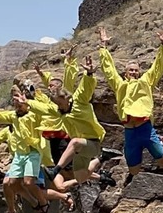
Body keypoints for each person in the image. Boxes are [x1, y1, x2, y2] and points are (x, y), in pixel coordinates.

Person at [98, 26, 163, 183]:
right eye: (130, 70)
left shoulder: (145, 82)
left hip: (145, 128)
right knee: (134, 171)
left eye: (136, 70)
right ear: (125, 73)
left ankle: (159, 141)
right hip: (130, 132)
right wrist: (103, 47)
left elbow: (158, 67)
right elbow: (109, 70)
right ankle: (155, 143)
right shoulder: (120, 84)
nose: (133, 72)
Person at [0, 126, 75, 213]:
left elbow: (46, 140)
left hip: (35, 161)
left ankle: (64, 197)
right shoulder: (8, 131)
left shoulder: (32, 129)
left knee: (34, 188)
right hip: (19, 162)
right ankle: (13, 209)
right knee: (7, 183)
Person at [29, 56, 106, 186]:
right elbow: (42, 108)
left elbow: (85, 88)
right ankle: (103, 158)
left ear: (66, 98)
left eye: (60, 103)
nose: (59, 107)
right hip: (79, 148)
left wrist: (89, 74)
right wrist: (26, 102)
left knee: (74, 142)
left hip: (92, 142)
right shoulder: (58, 110)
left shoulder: (79, 101)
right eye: (56, 105)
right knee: (80, 178)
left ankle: (56, 170)